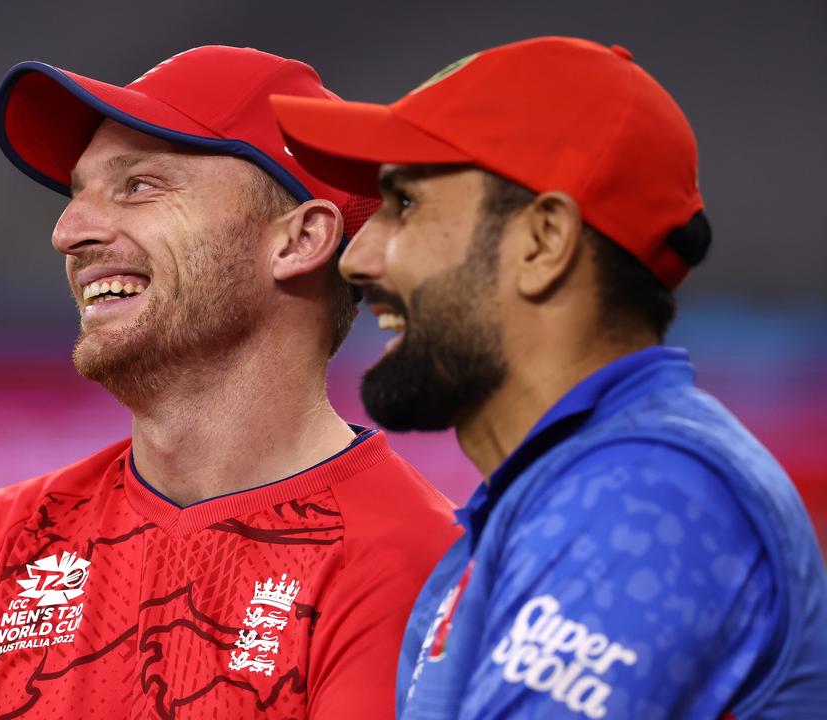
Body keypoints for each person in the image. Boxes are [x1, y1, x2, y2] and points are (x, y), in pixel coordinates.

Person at [0, 46, 460, 720]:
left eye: (139, 186)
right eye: (77, 193)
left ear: (299, 241)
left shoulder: (413, 563)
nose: (68, 232)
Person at [270, 35, 827, 719]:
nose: (358, 259)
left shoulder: (643, 495)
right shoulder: (557, 495)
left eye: (406, 206)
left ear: (543, 241)